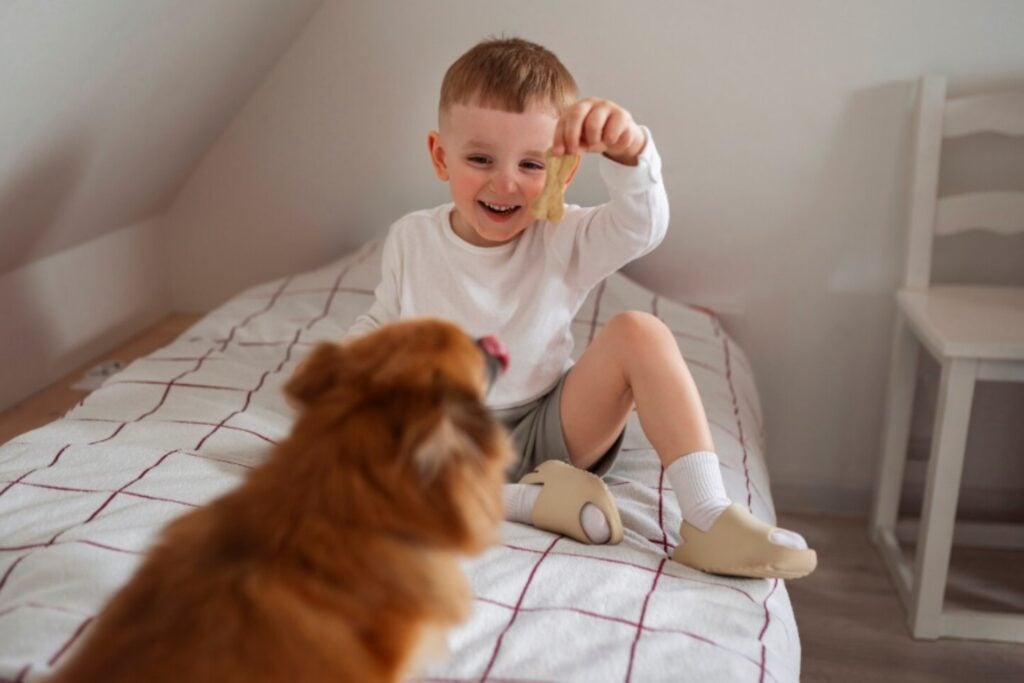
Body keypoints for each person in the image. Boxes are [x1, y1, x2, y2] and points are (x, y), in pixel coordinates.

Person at [346, 37, 816, 579]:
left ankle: (708, 517)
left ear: (563, 175)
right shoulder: (412, 238)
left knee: (640, 330)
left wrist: (629, 151)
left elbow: (642, 227)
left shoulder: (563, 234)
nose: (505, 182)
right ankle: (530, 503)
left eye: (531, 164)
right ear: (439, 156)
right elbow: (382, 322)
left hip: (554, 428)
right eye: (480, 159)